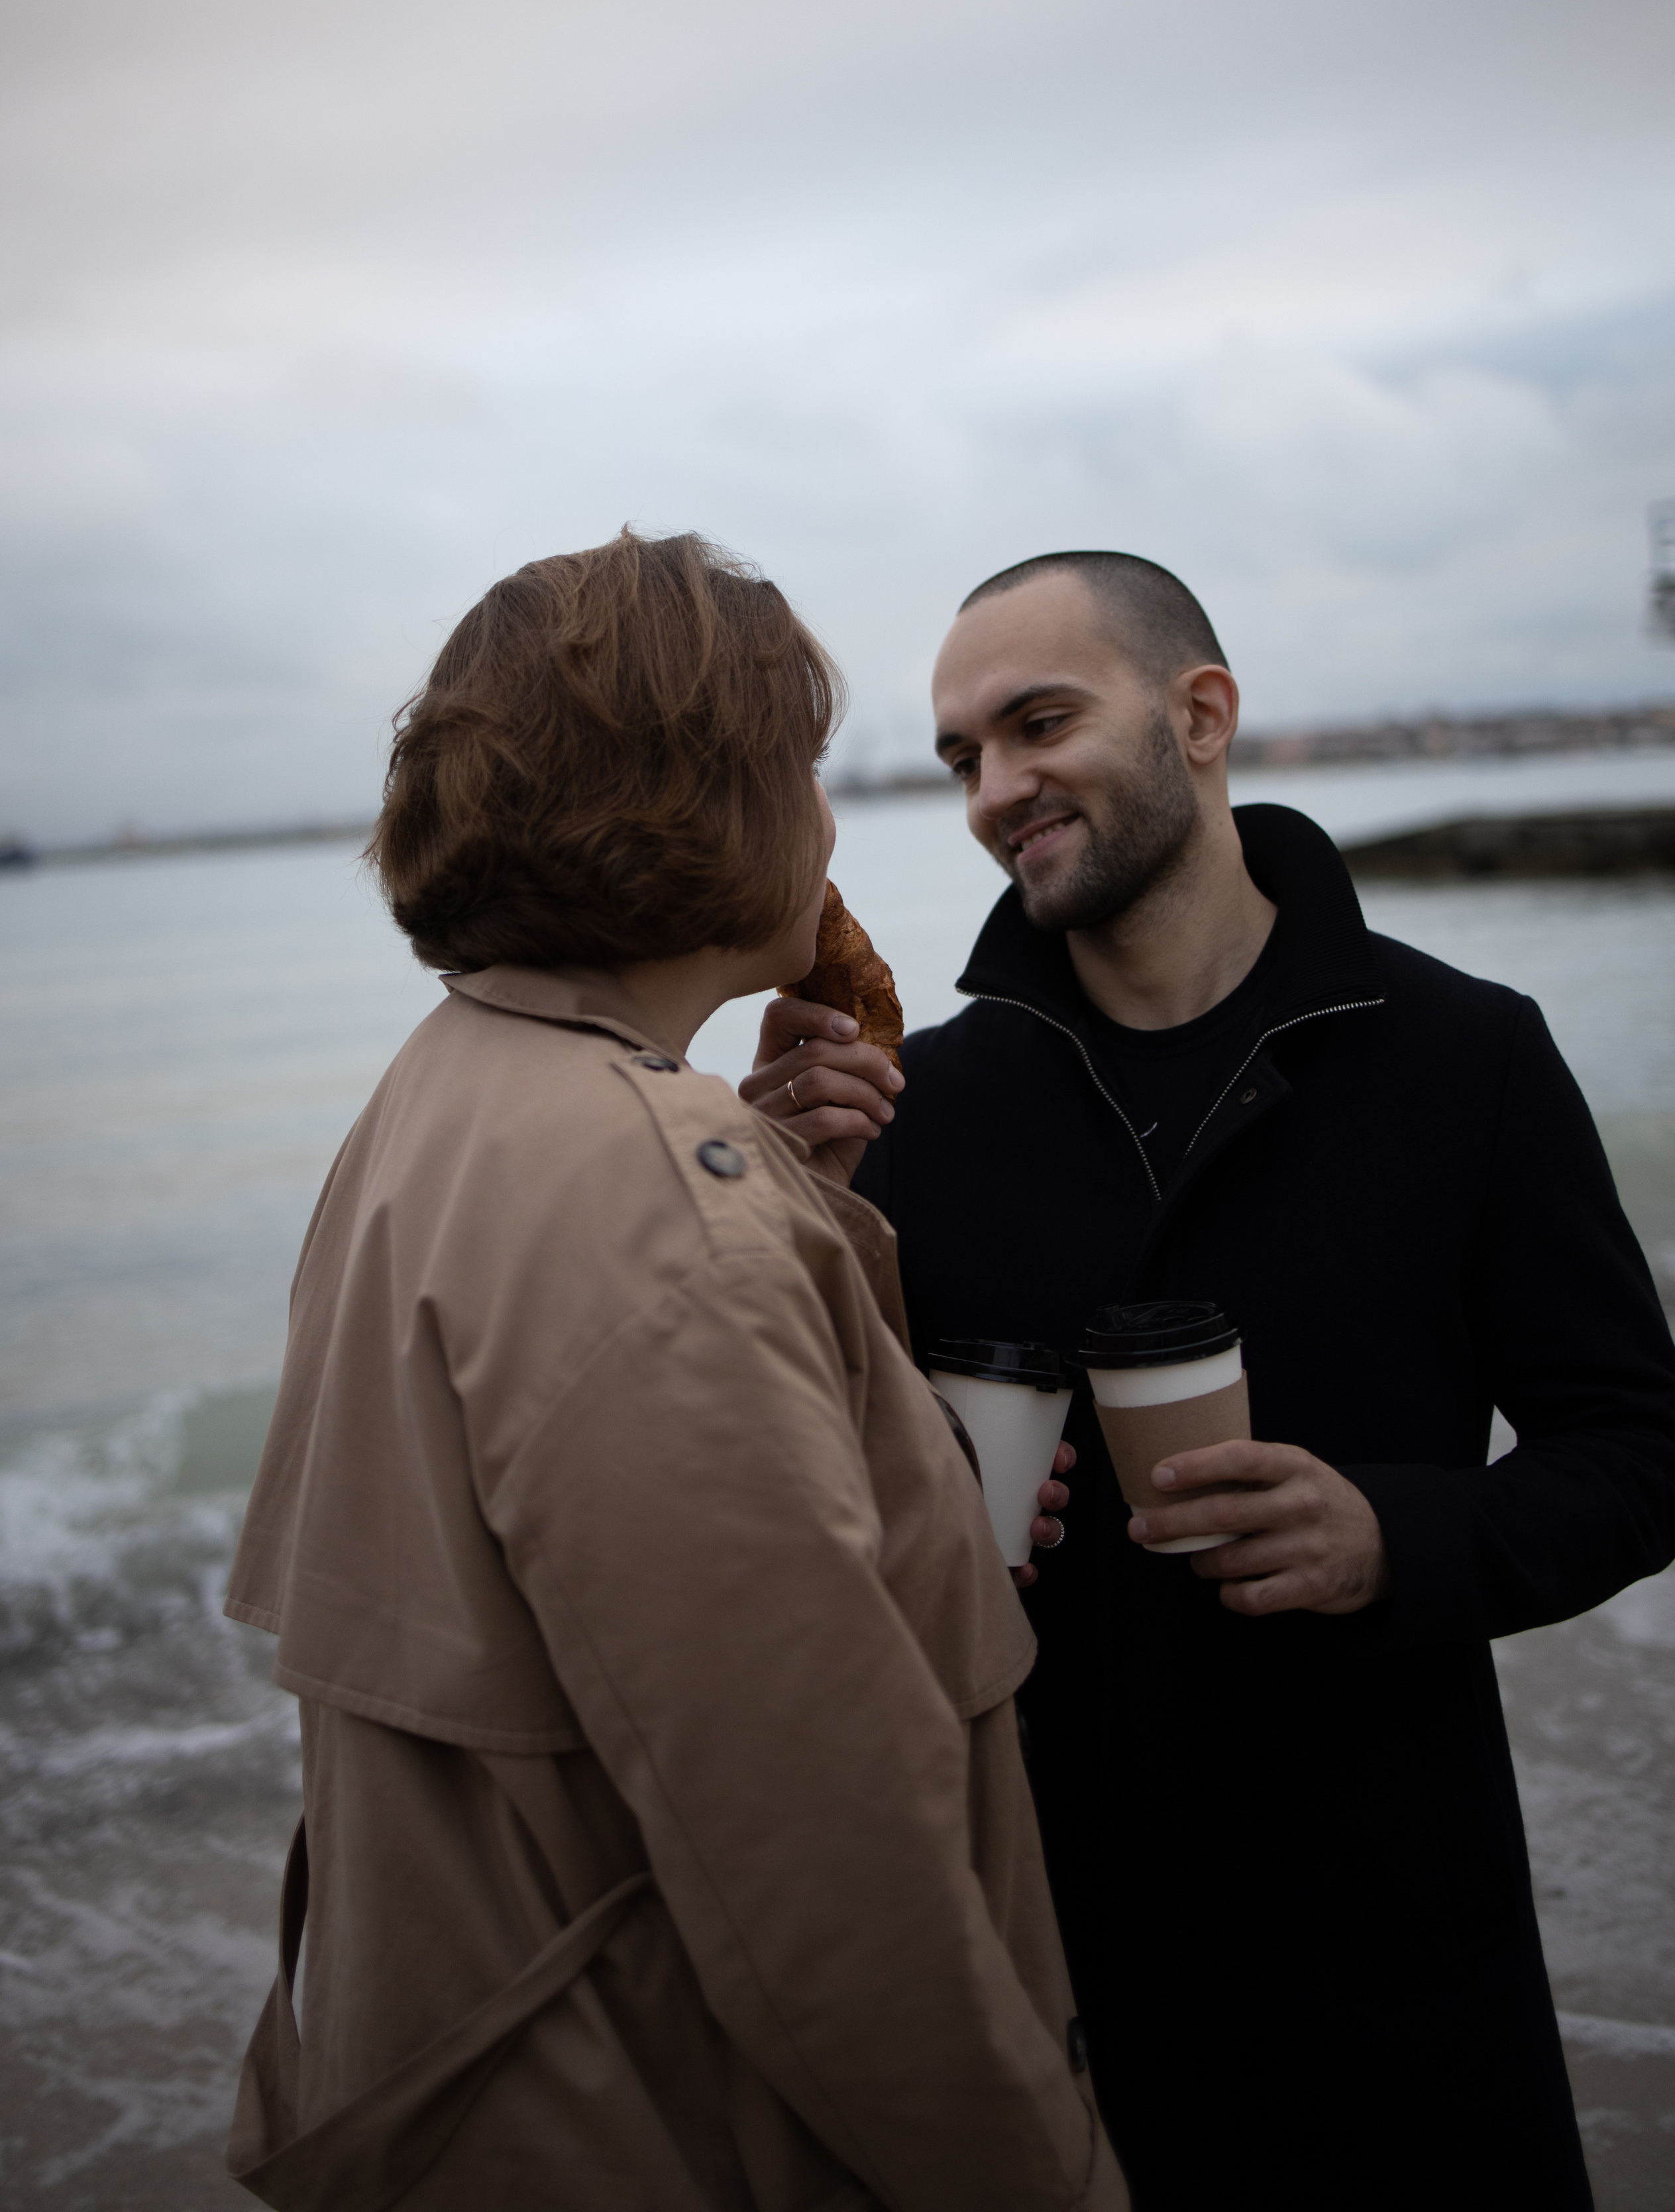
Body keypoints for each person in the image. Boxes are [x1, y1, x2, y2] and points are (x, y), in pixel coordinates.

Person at [742, 550, 1675, 2212]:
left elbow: (1638, 1447)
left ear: (1200, 715)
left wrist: (1397, 1538)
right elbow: (806, 1507)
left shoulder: (1464, 1060)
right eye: (962, 756)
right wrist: (779, 1207)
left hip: (1398, 1944)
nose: (993, 790)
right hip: (1046, 1961)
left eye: (1037, 724)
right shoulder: (923, 1116)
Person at [223, 533, 1126, 2212]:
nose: (830, 819)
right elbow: (827, 1877)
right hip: (647, 2125)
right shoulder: (656, 1201)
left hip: (455, 2082)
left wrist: (783, 1195)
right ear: (704, 797)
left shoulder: (440, 1097)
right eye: (798, 766)